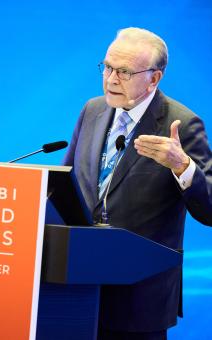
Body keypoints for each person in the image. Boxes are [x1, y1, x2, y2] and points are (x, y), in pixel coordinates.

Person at [63, 27, 212, 340]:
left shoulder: (181, 124)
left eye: (125, 72)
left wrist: (182, 166)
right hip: (75, 286)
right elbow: (65, 187)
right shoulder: (93, 109)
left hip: (138, 300)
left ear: (154, 78)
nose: (111, 79)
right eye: (107, 67)